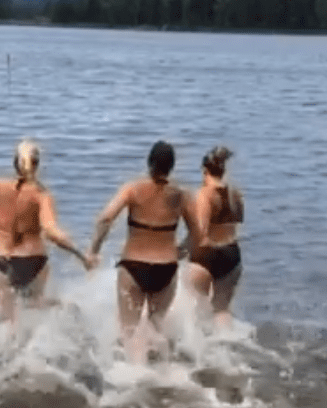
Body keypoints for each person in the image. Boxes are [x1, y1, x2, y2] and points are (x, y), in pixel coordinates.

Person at [0, 139, 90, 321]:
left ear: (15, 163)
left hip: (4, 260)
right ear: (37, 164)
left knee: (5, 316)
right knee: (34, 305)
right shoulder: (41, 194)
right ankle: (63, 308)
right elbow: (51, 231)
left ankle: (10, 338)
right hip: (34, 260)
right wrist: (81, 255)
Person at [88, 141, 196, 356]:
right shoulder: (181, 195)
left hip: (133, 266)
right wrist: (181, 252)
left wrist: (94, 250)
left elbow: (105, 219)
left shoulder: (133, 189)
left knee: (129, 332)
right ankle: (161, 368)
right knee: (156, 329)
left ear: (149, 162)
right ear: (172, 166)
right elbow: (198, 233)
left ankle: (134, 372)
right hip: (167, 268)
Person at [187, 145, 244, 324]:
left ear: (205, 171)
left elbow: (200, 233)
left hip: (206, 256)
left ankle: (197, 340)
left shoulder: (204, 195)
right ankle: (227, 339)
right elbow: (238, 220)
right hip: (231, 254)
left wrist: (180, 250)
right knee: (222, 309)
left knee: (195, 305)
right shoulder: (236, 194)